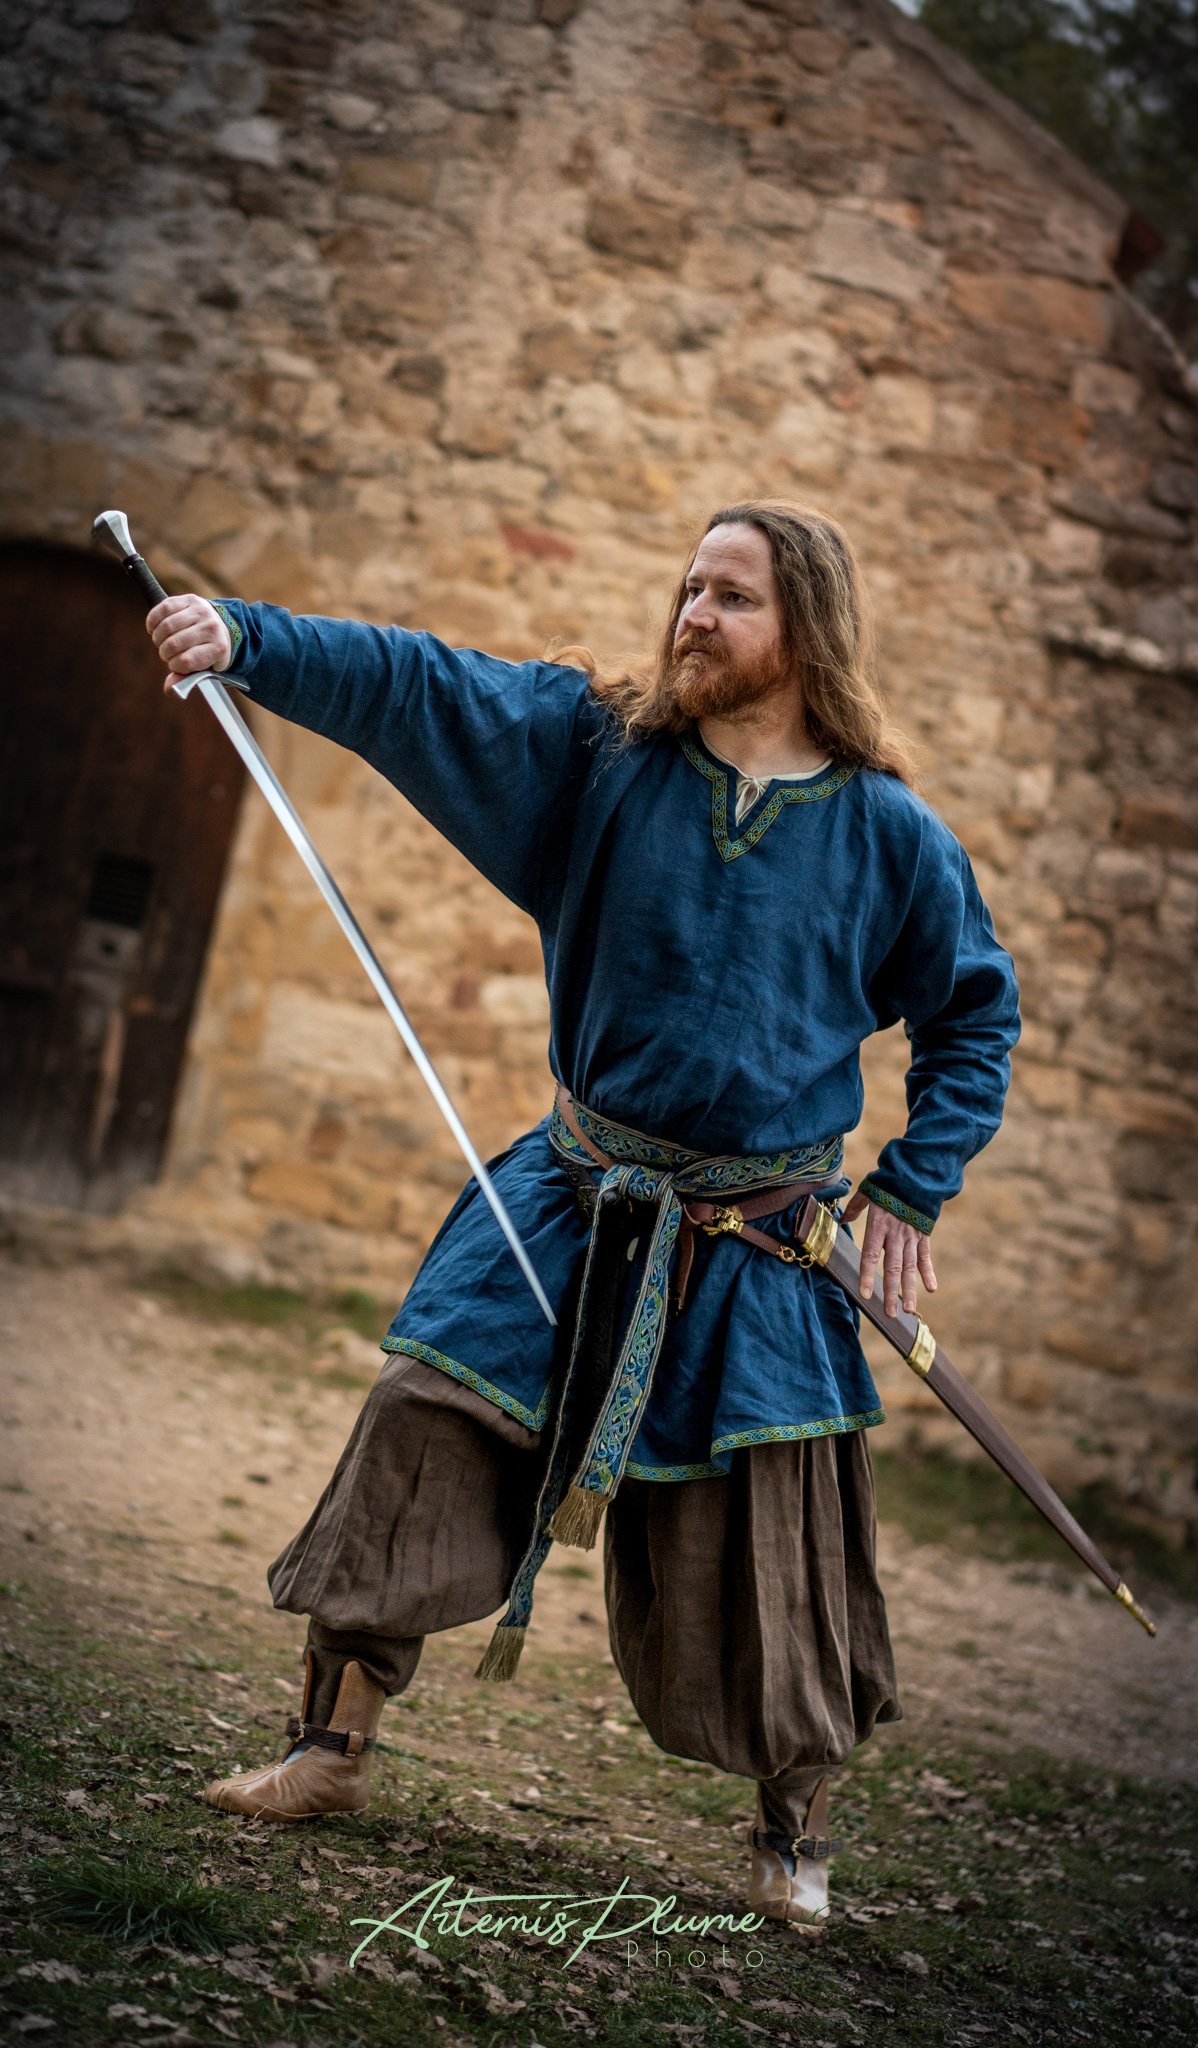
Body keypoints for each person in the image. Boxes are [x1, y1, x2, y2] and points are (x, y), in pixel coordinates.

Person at [148, 499, 1020, 1936]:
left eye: (730, 596)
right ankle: (328, 1747)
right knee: (423, 1421)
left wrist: (914, 1186)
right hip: (571, 1193)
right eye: (687, 586)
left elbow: (972, 1015)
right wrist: (246, 637)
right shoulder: (597, 757)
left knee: (772, 1542)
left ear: (805, 626)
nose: (692, 614)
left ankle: (789, 1830)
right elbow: (417, 683)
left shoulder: (887, 837)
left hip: (754, 1244)